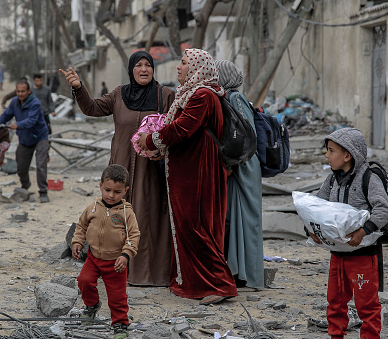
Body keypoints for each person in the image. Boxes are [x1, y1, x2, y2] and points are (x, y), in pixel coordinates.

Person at [60, 51, 175, 287]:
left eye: (148, 65)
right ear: (131, 69)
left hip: (151, 170)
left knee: (146, 216)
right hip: (119, 170)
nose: (144, 69)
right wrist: (78, 88)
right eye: (139, 65)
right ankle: (113, 271)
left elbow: (175, 130)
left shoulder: (165, 96)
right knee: (115, 218)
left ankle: (148, 275)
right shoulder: (120, 95)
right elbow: (91, 108)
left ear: (153, 69)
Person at [136, 48, 238, 305]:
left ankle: (221, 285)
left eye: (183, 63)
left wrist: (150, 140)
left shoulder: (202, 96)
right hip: (188, 171)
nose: (178, 67)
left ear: (196, 68)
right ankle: (191, 282)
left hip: (197, 174)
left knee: (195, 227)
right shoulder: (194, 94)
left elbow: (181, 130)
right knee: (186, 226)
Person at [309, 127, 388, 339]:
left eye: (331, 151)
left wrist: (363, 230)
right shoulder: (332, 178)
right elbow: (318, 206)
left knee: (367, 304)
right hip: (338, 253)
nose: (327, 155)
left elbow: (384, 209)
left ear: (348, 156)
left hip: (363, 256)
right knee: (335, 299)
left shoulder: (369, 178)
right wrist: (313, 230)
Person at [72, 164, 140, 339]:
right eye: (107, 190)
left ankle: (120, 324)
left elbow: (134, 235)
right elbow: (81, 225)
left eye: (117, 192)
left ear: (125, 191)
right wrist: (78, 242)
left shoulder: (127, 213)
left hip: (116, 262)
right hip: (93, 258)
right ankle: (92, 306)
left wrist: (126, 255)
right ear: (101, 185)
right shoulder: (93, 207)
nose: (111, 195)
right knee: (84, 281)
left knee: (117, 296)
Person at [215, 60, 264, 289]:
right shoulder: (228, 97)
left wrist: (231, 162)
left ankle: (251, 275)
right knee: (236, 219)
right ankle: (239, 272)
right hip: (240, 164)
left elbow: (246, 134)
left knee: (248, 220)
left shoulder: (234, 98)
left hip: (244, 165)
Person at [0, 79, 51, 203]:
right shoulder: (14, 102)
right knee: (21, 165)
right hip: (25, 138)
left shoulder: (35, 103)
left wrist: (17, 125)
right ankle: (25, 186)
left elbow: (32, 120)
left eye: (23, 91)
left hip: (40, 137)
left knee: (41, 165)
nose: (20, 94)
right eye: (18, 91)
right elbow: (5, 116)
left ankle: (43, 192)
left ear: (29, 91)